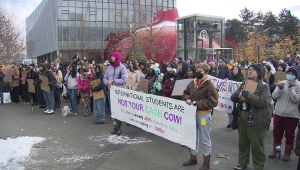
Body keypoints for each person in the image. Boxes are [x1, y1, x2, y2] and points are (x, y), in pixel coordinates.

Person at [231, 63, 272, 170]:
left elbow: (264, 101)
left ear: (258, 73)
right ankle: (242, 162)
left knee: (257, 145)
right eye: (249, 69)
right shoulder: (245, 82)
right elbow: (234, 95)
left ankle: (259, 166)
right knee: (243, 143)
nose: (249, 71)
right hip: (243, 116)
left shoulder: (264, 85)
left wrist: (248, 96)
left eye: (252, 70)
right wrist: (237, 95)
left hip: (256, 119)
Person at [182, 63, 219, 170]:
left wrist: (197, 103)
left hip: (203, 115)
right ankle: (193, 158)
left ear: (206, 73)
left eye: (201, 71)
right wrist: (187, 98)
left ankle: (206, 162)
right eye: (197, 69)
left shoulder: (210, 84)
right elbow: (185, 92)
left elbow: (213, 101)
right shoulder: (193, 82)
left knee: (205, 138)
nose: (198, 72)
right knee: (193, 137)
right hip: (192, 115)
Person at [270, 66, 300, 161]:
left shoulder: (298, 85)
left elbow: (297, 100)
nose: (290, 75)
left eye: (292, 74)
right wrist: (279, 88)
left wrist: (291, 89)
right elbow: (274, 96)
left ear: (296, 76)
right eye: (289, 73)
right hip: (279, 113)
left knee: (290, 134)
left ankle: (287, 152)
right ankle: (275, 149)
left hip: (291, 115)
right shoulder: (282, 82)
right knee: (277, 133)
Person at [103, 51, 128, 135]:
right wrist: (107, 83)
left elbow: (124, 80)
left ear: (117, 57)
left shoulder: (122, 68)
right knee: (113, 109)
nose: (111, 58)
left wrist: (114, 81)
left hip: (118, 91)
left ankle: (119, 126)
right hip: (111, 91)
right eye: (111, 56)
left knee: (118, 109)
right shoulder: (109, 67)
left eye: (113, 56)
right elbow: (105, 78)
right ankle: (115, 126)